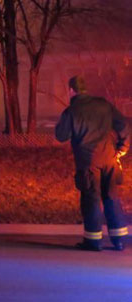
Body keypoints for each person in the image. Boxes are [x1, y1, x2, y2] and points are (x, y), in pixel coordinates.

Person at [55, 75, 130, 251]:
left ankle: (93, 241)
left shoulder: (71, 110)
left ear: (71, 90)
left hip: (88, 162)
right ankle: (118, 240)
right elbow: (124, 125)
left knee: (91, 199)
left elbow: (61, 136)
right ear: (85, 89)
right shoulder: (104, 104)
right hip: (110, 159)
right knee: (111, 197)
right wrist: (122, 147)